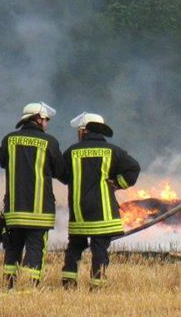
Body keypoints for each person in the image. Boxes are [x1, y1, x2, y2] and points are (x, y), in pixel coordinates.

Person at [60, 113, 140, 289]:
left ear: (84, 131)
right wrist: (118, 183)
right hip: (103, 213)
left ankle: (68, 284)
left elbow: (62, 174)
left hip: (79, 211)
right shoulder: (113, 151)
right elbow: (134, 168)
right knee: (100, 251)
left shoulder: (72, 152)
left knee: (74, 248)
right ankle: (96, 286)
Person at [0, 102, 65, 289]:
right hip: (39, 212)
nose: (47, 123)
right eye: (46, 119)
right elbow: (60, 170)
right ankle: (29, 287)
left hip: (14, 210)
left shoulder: (9, 140)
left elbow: (1, 159)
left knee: (12, 249)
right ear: (38, 118)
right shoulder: (50, 142)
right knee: (35, 250)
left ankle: (10, 286)